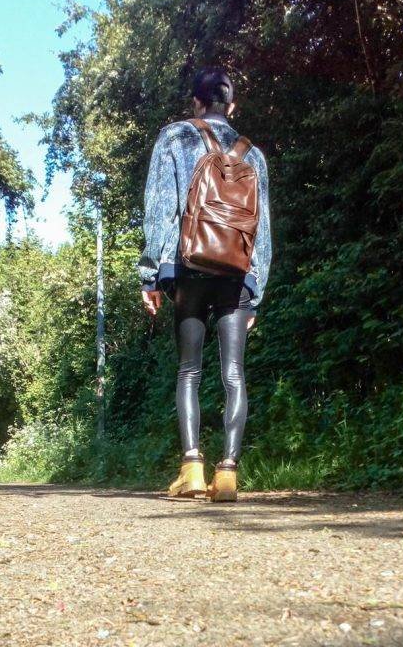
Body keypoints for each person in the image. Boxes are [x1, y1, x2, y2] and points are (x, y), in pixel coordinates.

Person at [137, 67, 272, 502]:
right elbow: (262, 228)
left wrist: (151, 273)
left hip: (189, 264)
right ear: (231, 106)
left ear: (196, 102)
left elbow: (160, 206)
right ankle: (228, 471)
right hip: (237, 273)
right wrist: (256, 290)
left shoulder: (174, 137)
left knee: (189, 370)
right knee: (234, 373)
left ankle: (192, 467)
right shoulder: (254, 155)